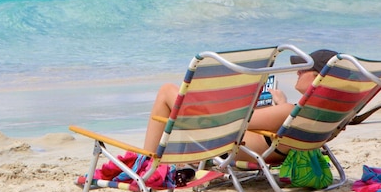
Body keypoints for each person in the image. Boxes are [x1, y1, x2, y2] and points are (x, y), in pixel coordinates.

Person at [142, 49, 338, 162]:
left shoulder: (288, 112)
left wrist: (232, 103)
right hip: (270, 152)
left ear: (318, 78)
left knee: (167, 91)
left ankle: (147, 164)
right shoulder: (324, 115)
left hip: (229, 144)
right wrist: (281, 104)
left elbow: (234, 121)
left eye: (303, 69)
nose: (297, 72)